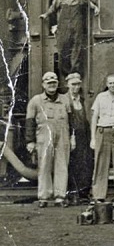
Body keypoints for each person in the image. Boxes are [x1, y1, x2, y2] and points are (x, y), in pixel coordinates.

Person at [39, 0, 98, 78]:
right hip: (64, 29)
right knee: (63, 50)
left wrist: (95, 8)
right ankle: (65, 74)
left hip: (77, 28)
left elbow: (89, 4)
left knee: (77, 50)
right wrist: (45, 15)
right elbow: (52, 9)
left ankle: (74, 73)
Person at [25, 71, 71, 207]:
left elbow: (72, 121)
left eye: (54, 82)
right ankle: (44, 197)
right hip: (44, 137)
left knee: (62, 165)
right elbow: (29, 122)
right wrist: (30, 141)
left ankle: (60, 197)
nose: (52, 85)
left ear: (57, 84)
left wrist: (72, 138)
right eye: (49, 82)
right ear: (43, 84)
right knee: (44, 166)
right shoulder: (36, 101)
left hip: (63, 136)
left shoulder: (65, 100)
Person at [90, 73, 114, 204]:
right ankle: (98, 195)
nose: (112, 85)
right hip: (102, 131)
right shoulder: (101, 97)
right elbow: (94, 118)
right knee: (101, 164)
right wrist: (93, 138)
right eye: (110, 83)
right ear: (107, 84)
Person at [65, 72, 92, 203]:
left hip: (84, 136)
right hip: (72, 136)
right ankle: (73, 194)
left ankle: (83, 193)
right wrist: (72, 136)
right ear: (68, 85)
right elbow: (68, 121)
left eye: (78, 84)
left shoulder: (82, 100)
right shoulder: (65, 100)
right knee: (73, 164)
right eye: (73, 84)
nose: (76, 87)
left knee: (84, 163)